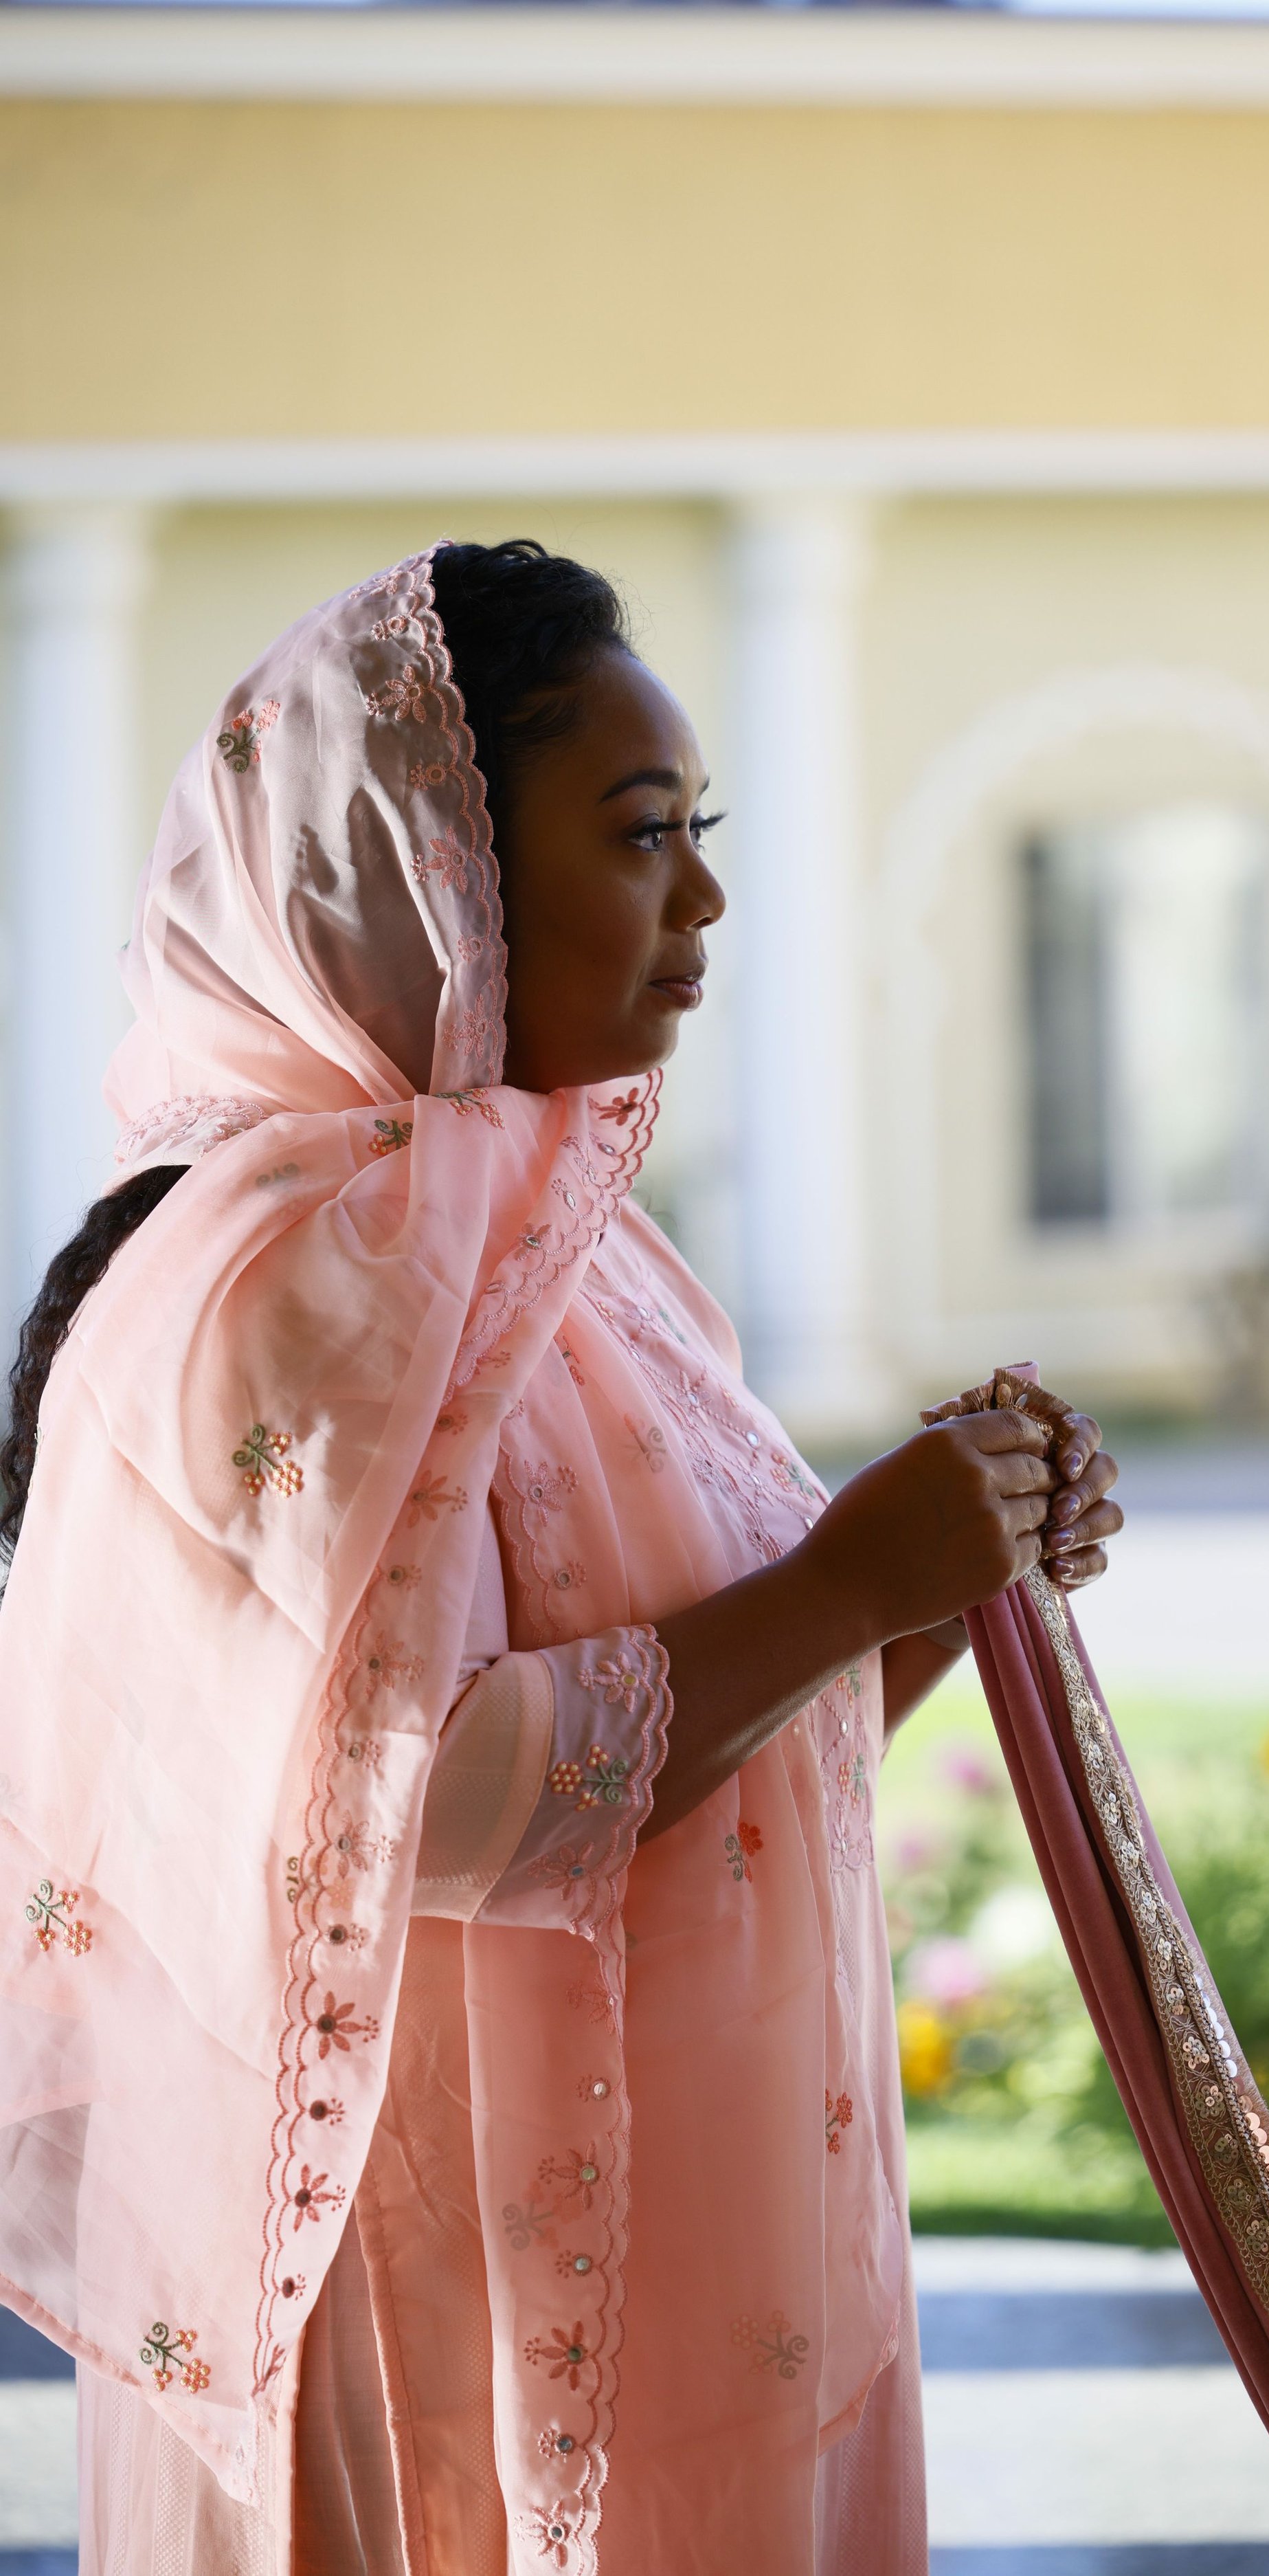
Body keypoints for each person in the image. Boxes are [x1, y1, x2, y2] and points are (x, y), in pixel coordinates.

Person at [0, 541, 1122, 2575]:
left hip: (690, 2224)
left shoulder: (587, 1260)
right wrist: (847, 1580)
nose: (700, 896)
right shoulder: (271, 1283)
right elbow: (389, 1799)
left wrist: (953, 1567)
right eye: (635, 835)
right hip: (435, 2272)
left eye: (700, 833)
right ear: (435, 868)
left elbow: (731, 1745)